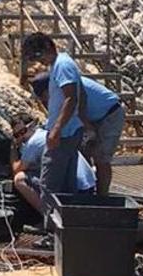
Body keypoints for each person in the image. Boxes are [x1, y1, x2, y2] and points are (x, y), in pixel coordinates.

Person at [19, 31, 125, 199]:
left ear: (48, 47)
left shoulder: (62, 65)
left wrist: (56, 129)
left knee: (101, 158)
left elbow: (71, 98)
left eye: (38, 56)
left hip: (109, 113)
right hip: (90, 117)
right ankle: (87, 200)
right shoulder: (57, 66)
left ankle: (102, 201)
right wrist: (86, 123)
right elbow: (80, 94)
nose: (39, 61)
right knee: (85, 155)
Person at [10, 111, 95, 213]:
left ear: (32, 125)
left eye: (22, 132)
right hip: (88, 185)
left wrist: (13, 149)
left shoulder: (33, 142)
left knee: (19, 178)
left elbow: (16, 169)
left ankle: (48, 218)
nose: (21, 137)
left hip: (75, 189)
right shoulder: (47, 134)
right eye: (16, 135)